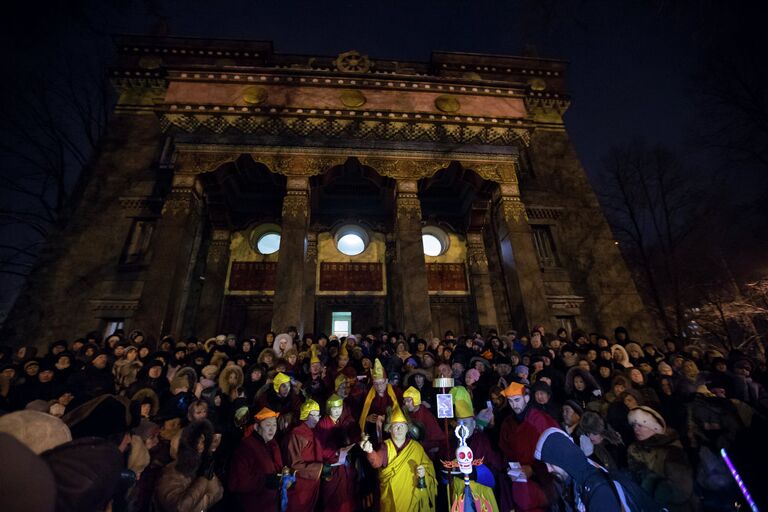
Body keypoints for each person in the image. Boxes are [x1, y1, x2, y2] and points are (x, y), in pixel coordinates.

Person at [360, 405, 437, 512]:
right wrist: (370, 451)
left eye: (402, 425)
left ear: (407, 429)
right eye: (395, 426)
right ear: (389, 429)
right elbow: (377, 462)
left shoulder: (416, 447)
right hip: (391, 500)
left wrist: (424, 473)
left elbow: (429, 467)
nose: (399, 429)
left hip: (413, 497)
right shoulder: (385, 446)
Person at [498, 381, 558, 512]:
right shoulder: (508, 423)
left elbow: (555, 450)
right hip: (517, 479)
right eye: (510, 401)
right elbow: (504, 448)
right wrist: (511, 467)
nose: (514, 405)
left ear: (527, 398)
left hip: (541, 481)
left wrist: (533, 468)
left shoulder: (540, 420)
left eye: (517, 400)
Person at [534, 427, 625, 510]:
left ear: (562, 459)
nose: (549, 470)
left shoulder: (600, 490)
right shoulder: (574, 480)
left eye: (551, 464)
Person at [627, 406, 695, 511]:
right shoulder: (634, 450)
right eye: (634, 425)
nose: (635, 429)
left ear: (654, 427)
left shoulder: (671, 450)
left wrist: (654, 486)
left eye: (640, 425)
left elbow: (682, 490)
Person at [155, 419, 223, 512]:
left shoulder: (201, 466)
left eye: (204, 441)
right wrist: (203, 479)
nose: (201, 446)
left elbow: (218, 494)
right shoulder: (171, 472)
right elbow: (179, 507)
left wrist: (210, 477)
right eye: (198, 441)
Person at [228, 407, 287, 511]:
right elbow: (235, 482)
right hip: (254, 506)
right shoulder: (246, 446)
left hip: (271, 504)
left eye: (274, 425)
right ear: (256, 427)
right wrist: (264, 480)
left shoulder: (273, 444)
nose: (272, 429)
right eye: (267, 425)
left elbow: (277, 469)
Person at [315, 394, 359, 512]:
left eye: (339, 408)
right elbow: (320, 448)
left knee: (346, 496)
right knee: (333, 499)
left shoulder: (339, 422)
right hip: (331, 467)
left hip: (343, 466)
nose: (337, 411)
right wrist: (336, 453)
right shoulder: (323, 424)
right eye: (334, 409)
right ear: (329, 409)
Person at [283, 399, 324, 512]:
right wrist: (320, 469)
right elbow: (294, 464)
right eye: (313, 415)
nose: (317, 418)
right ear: (305, 415)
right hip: (301, 486)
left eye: (318, 415)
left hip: (313, 484)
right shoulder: (297, 434)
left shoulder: (315, 432)